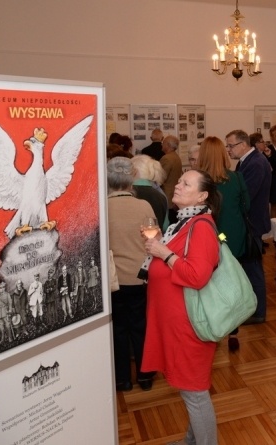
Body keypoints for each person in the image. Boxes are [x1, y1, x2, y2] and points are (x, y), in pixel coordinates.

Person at [141, 169, 221, 445]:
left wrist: (164, 252)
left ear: (202, 195)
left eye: (186, 183)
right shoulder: (184, 223)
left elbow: (197, 277)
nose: (177, 185)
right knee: (191, 390)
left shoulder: (200, 227)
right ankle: (191, 441)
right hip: (177, 322)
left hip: (189, 325)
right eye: (179, 180)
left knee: (195, 393)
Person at [107, 156, 158, 392]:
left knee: (117, 329)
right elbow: (154, 240)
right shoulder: (143, 206)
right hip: (140, 277)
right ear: (132, 178)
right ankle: (145, 376)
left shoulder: (102, 207)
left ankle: (121, 380)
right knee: (141, 327)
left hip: (113, 280)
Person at [197, 136, 251, 351]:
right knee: (233, 284)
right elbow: (247, 206)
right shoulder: (236, 178)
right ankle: (233, 331)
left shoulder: (199, 182)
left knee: (208, 285)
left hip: (209, 237)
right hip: (232, 238)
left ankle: (211, 327)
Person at [227, 129, 272, 324]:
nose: (228, 150)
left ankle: (258, 312)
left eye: (231, 145)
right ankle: (252, 308)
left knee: (253, 268)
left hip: (252, 223)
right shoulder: (247, 161)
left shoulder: (255, 163)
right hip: (249, 222)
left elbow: (246, 197)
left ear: (243, 144)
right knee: (249, 267)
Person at [132, 154, 169, 230]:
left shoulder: (127, 193)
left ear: (133, 172)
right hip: (155, 239)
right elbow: (165, 226)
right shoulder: (161, 195)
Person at [161, 135, 183, 223]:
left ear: (168, 145)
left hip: (167, 195)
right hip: (174, 194)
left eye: (163, 143)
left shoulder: (166, 158)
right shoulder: (177, 157)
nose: (161, 145)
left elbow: (161, 177)